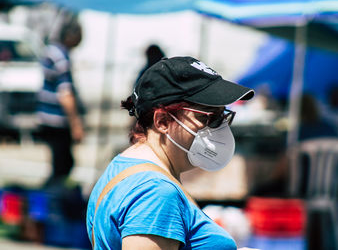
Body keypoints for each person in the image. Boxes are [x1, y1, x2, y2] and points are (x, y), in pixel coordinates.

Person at [86, 56, 255, 249]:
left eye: (223, 116)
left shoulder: (122, 167)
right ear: (163, 121)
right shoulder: (155, 191)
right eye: (208, 117)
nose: (219, 128)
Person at [36, 16, 85, 186]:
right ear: (71, 35)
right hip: (57, 120)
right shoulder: (61, 57)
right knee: (63, 164)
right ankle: (52, 199)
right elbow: (65, 94)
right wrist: (76, 124)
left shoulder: (50, 51)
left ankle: (52, 194)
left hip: (45, 116)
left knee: (60, 163)